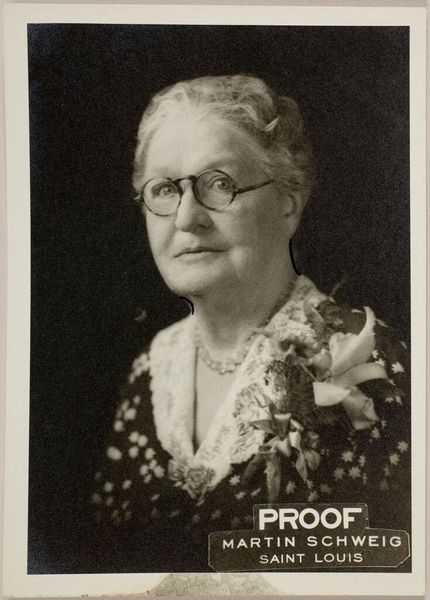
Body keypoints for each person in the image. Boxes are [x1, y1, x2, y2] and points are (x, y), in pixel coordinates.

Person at [90, 74, 410, 572]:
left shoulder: (369, 360)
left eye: (220, 184)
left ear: (289, 201)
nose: (186, 218)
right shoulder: (151, 369)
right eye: (164, 190)